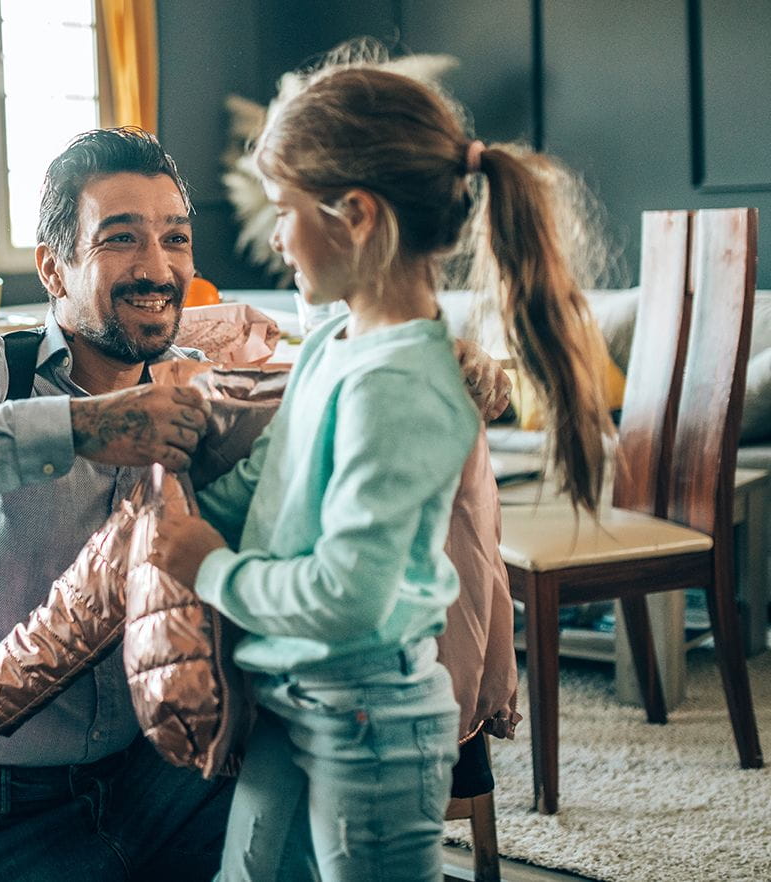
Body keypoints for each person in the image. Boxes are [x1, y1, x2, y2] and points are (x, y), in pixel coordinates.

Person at [0, 126, 511, 881]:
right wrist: (86, 426)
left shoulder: (200, 383)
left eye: (174, 239)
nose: (157, 267)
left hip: (149, 781)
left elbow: (338, 400)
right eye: (120, 239)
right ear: (55, 266)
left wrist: (434, 364)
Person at [150, 62, 614, 881]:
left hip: (372, 726)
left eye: (286, 213)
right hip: (296, 697)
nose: (274, 239)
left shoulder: (405, 388)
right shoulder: (335, 342)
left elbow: (344, 594)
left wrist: (209, 568)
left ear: (356, 217)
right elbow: (271, 477)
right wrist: (171, 514)